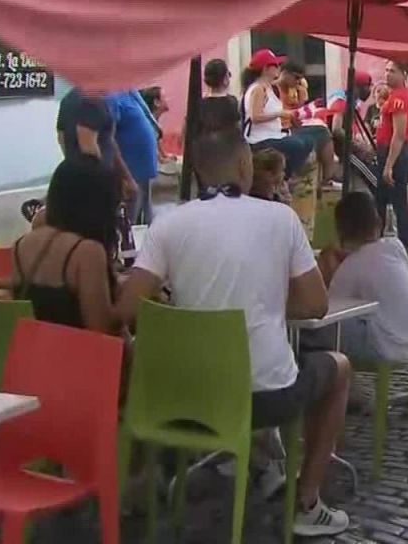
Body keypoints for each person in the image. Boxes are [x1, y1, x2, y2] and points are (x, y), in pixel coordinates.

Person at [118, 129, 351, 536]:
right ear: (245, 165)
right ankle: (308, 502)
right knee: (341, 367)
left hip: (180, 399)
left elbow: (127, 307)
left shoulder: (168, 225)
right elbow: (316, 304)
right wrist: (265, 303)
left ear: (196, 170)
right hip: (264, 398)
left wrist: (182, 311)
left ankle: (249, 463)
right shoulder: (281, 218)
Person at [11, 157, 124, 334]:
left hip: (35, 355)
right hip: (74, 358)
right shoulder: (87, 252)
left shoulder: (21, 245)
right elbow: (101, 331)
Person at [313, 192, 408, 362]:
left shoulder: (350, 267)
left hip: (387, 346)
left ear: (340, 231)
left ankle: (332, 380)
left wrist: (329, 269)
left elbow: (329, 311)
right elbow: (370, 261)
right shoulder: (395, 247)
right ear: (379, 223)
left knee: (312, 334)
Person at [241, 50, 313, 181]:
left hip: (273, 135)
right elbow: (255, 117)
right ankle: (285, 179)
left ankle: (287, 177)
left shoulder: (268, 87)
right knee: (296, 146)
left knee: (307, 141)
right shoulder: (258, 89)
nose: (279, 68)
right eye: (275, 65)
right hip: (259, 140)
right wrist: (279, 113)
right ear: (266, 69)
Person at [56, 87, 137, 201]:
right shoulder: (93, 101)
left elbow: (61, 137)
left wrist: (72, 163)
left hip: (77, 176)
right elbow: (88, 147)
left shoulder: (68, 99)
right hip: (95, 181)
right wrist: (107, 182)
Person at [375, 60, 408, 248]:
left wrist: (389, 165)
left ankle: (404, 244)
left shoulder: (400, 98)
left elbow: (398, 135)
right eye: (386, 70)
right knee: (382, 200)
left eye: (393, 71)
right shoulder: (394, 96)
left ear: (404, 75)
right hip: (389, 150)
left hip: (395, 153)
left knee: (397, 201)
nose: (387, 74)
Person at [108, 89, 161, 225]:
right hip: (131, 172)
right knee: (129, 221)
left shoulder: (131, 92)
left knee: (148, 217)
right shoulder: (112, 97)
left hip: (145, 171)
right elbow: (109, 138)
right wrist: (125, 177)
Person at [200, 58, 242, 134]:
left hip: (204, 144)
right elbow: (237, 127)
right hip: (226, 144)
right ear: (225, 79)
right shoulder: (232, 102)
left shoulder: (199, 103)